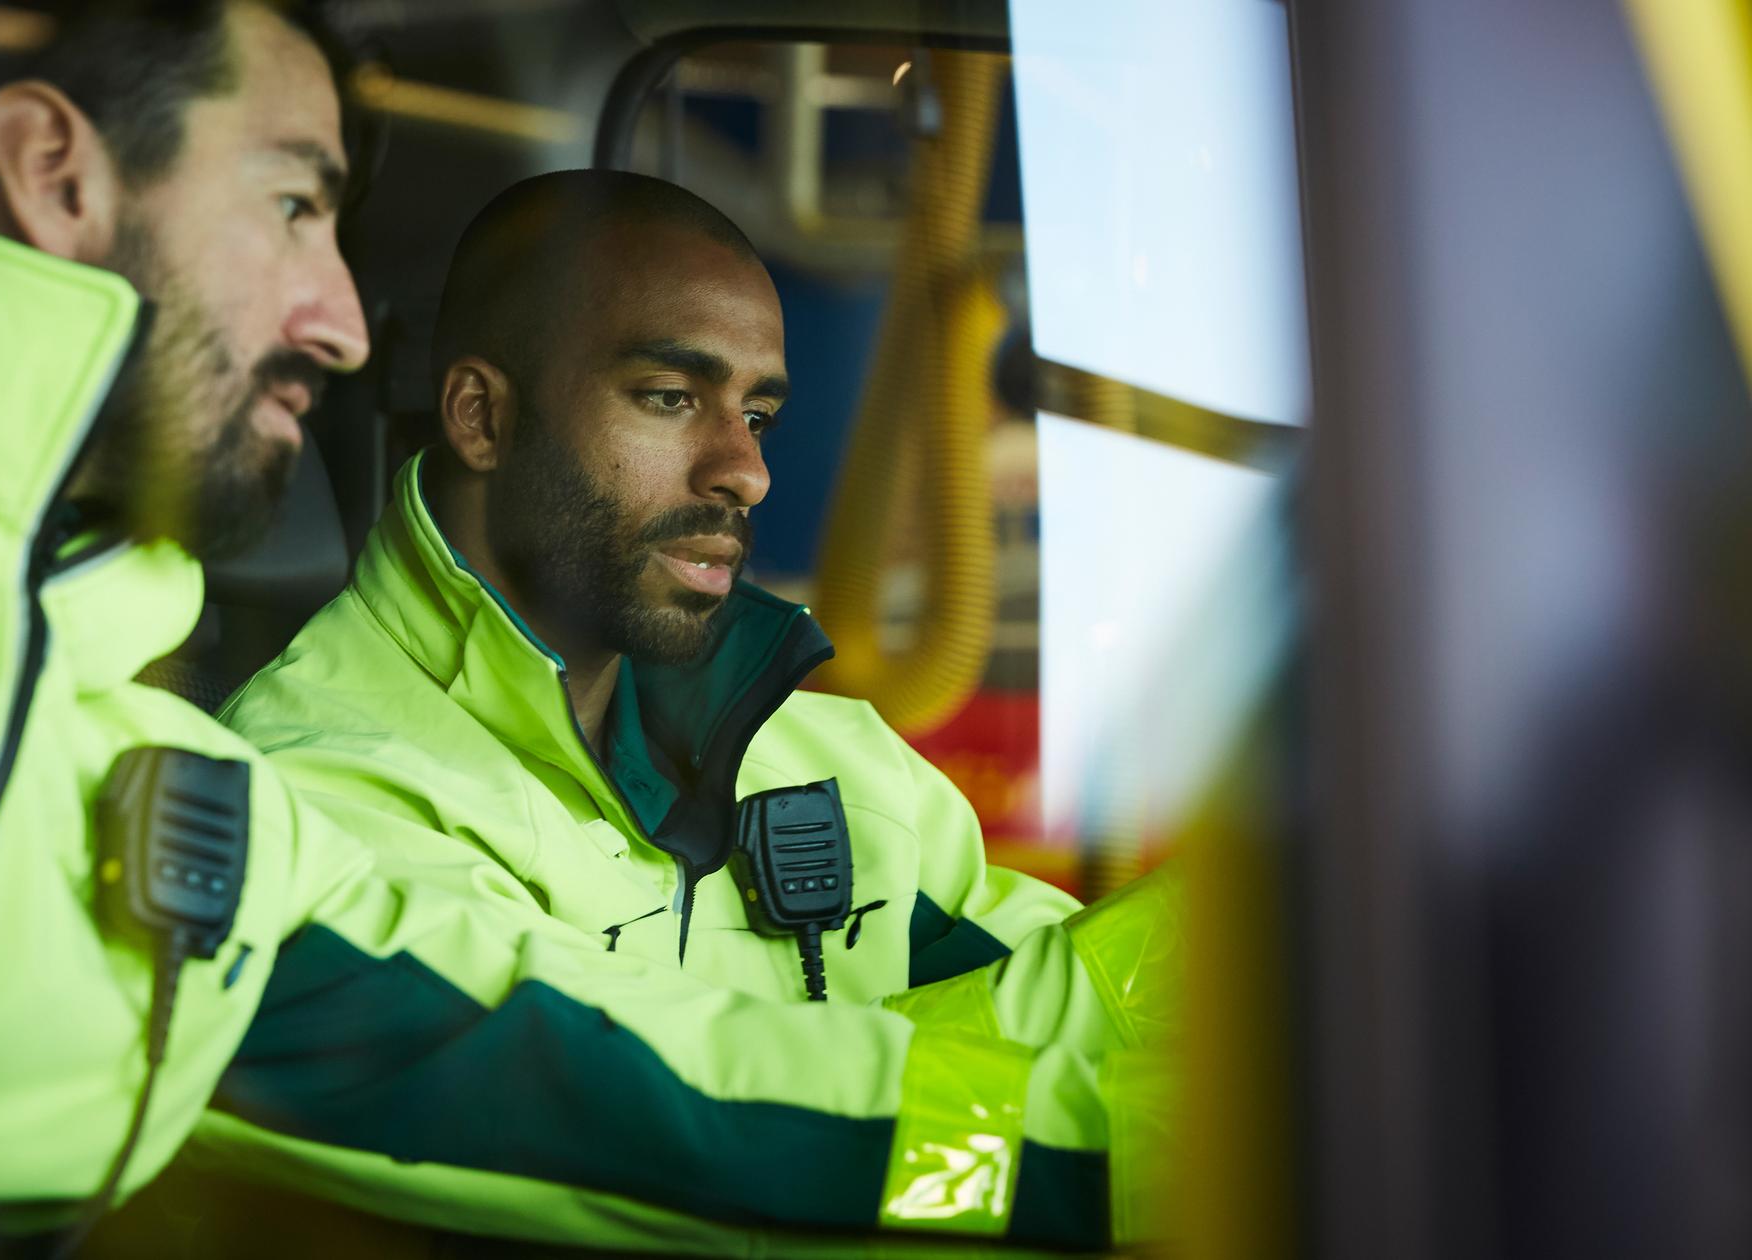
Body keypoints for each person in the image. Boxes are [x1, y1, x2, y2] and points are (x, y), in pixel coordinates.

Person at [203, 169, 1184, 1250]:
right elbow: (687, 1120)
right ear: (482, 416)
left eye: (757, 413)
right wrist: (1135, 1156)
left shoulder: (815, 758)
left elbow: (1024, 1011)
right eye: (671, 397)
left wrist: (1282, 941)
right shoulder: (312, 793)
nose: (745, 470)